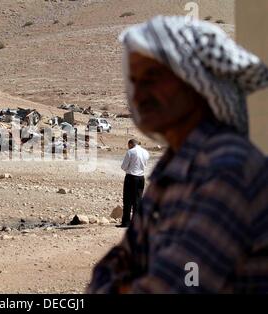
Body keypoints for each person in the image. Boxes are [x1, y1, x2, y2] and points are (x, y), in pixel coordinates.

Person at [87, 16, 268, 293]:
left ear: (196, 81)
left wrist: (122, 284)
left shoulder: (229, 170)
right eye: (134, 81)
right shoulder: (176, 167)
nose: (138, 95)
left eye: (152, 78)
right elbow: (112, 264)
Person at [120, 139, 150, 227]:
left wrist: (129, 169)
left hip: (131, 177)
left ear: (130, 144)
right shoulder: (146, 152)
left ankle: (126, 222)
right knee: (138, 200)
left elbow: (123, 166)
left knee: (127, 200)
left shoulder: (131, 152)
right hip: (141, 178)